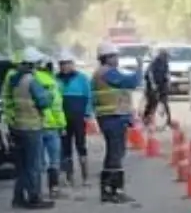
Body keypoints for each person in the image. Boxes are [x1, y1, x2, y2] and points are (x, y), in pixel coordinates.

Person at [4, 47, 55, 209]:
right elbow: (43, 102)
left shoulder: (14, 80)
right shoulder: (31, 81)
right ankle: (34, 197)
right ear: (34, 64)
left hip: (17, 126)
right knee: (34, 165)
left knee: (22, 166)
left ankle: (18, 197)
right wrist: (50, 95)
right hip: (32, 127)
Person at [91, 42, 141, 203]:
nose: (117, 59)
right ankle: (115, 190)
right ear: (106, 58)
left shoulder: (102, 72)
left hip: (113, 117)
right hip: (112, 118)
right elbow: (131, 82)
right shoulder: (107, 73)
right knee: (116, 154)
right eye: (114, 56)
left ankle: (108, 190)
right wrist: (139, 68)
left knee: (114, 153)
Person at [56, 50, 92, 188]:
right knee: (65, 148)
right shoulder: (56, 79)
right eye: (62, 64)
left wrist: (87, 114)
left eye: (67, 63)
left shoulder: (82, 78)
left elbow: (89, 97)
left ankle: (85, 177)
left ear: (72, 64)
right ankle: (69, 177)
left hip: (78, 117)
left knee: (81, 145)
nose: (65, 66)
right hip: (62, 118)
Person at [33, 55, 66, 198]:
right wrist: (62, 125)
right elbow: (57, 106)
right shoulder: (53, 82)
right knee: (53, 160)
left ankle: (38, 191)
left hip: (38, 125)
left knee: (41, 161)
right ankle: (54, 189)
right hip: (51, 126)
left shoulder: (33, 79)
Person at [142, 48, 172, 128]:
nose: (166, 58)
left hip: (162, 84)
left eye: (166, 56)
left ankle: (168, 121)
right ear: (160, 55)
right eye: (165, 56)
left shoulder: (165, 63)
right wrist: (153, 84)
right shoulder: (154, 63)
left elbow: (167, 73)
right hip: (151, 85)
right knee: (151, 102)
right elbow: (150, 74)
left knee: (164, 102)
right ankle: (145, 118)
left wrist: (168, 81)